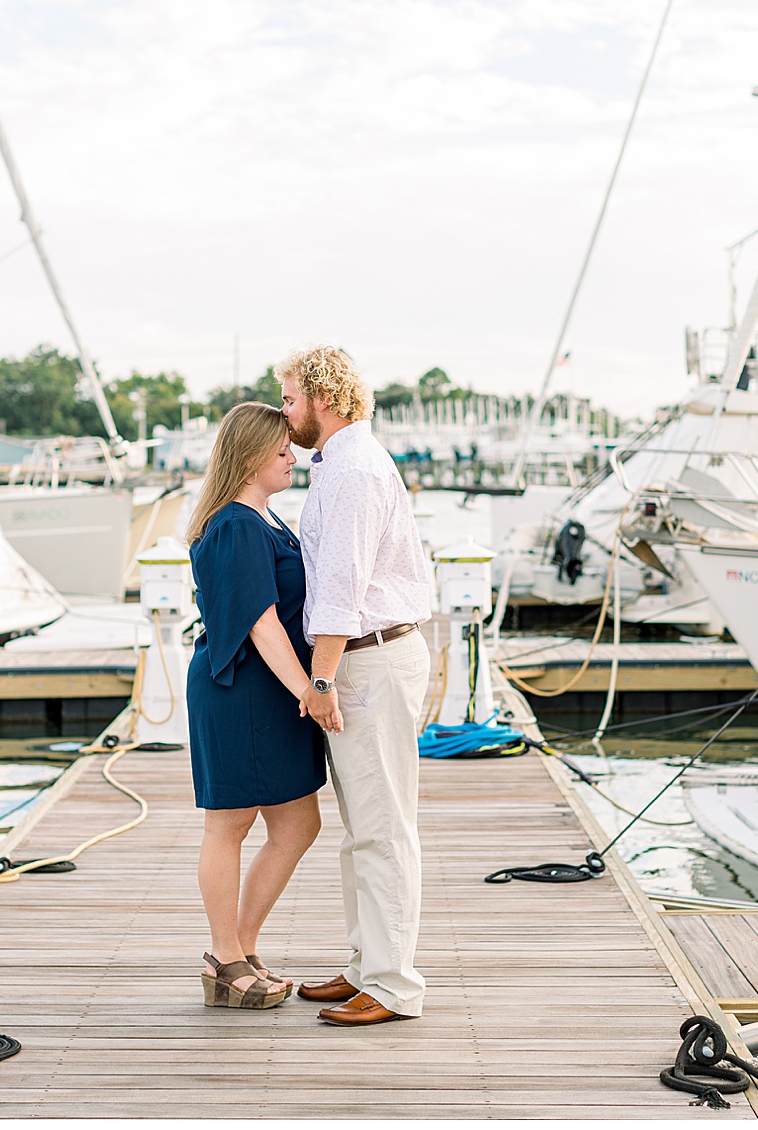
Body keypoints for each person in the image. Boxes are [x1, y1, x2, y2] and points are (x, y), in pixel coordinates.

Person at [277, 345, 435, 1027]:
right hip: (365, 656)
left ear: (323, 397)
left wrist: (320, 677)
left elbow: (342, 587)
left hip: (367, 658)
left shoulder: (353, 471)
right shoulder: (341, 465)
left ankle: (394, 984)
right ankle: (366, 962)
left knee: (383, 826)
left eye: (288, 398)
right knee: (361, 827)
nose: (284, 413)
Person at [185, 402, 329, 1010]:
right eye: (280, 452)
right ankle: (226, 957)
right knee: (230, 823)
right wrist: (311, 690)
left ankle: (237, 948)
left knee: (298, 823)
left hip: (269, 688)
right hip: (241, 688)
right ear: (249, 458)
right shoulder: (237, 524)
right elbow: (262, 624)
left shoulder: (266, 520)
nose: (291, 458)